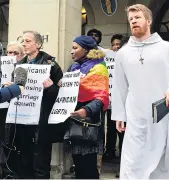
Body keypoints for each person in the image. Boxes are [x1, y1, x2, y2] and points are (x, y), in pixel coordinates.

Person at [111, 4, 169, 179]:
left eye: (137, 18)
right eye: (131, 19)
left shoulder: (166, 49)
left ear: (148, 21)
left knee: (164, 157)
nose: (133, 21)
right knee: (134, 158)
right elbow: (119, 86)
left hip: (162, 114)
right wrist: (119, 114)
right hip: (136, 115)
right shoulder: (123, 54)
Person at [5, 30, 63, 179]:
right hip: (22, 121)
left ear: (38, 44)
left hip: (41, 121)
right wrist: (10, 87)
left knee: (40, 162)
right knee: (23, 161)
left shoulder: (51, 64)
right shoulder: (19, 65)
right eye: (23, 41)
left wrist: (50, 89)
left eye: (28, 41)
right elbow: (16, 89)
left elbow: (61, 94)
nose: (24, 44)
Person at [63, 35, 109, 179]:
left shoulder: (99, 68)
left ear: (86, 49)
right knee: (78, 164)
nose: (71, 51)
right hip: (74, 120)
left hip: (89, 122)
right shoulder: (73, 67)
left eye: (75, 48)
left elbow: (101, 97)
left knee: (88, 166)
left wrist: (86, 110)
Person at [104, 34, 124, 160]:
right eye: (114, 45)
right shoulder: (108, 59)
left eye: (118, 45)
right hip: (111, 101)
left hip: (122, 103)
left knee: (122, 129)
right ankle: (110, 150)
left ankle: (123, 153)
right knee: (111, 127)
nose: (116, 47)